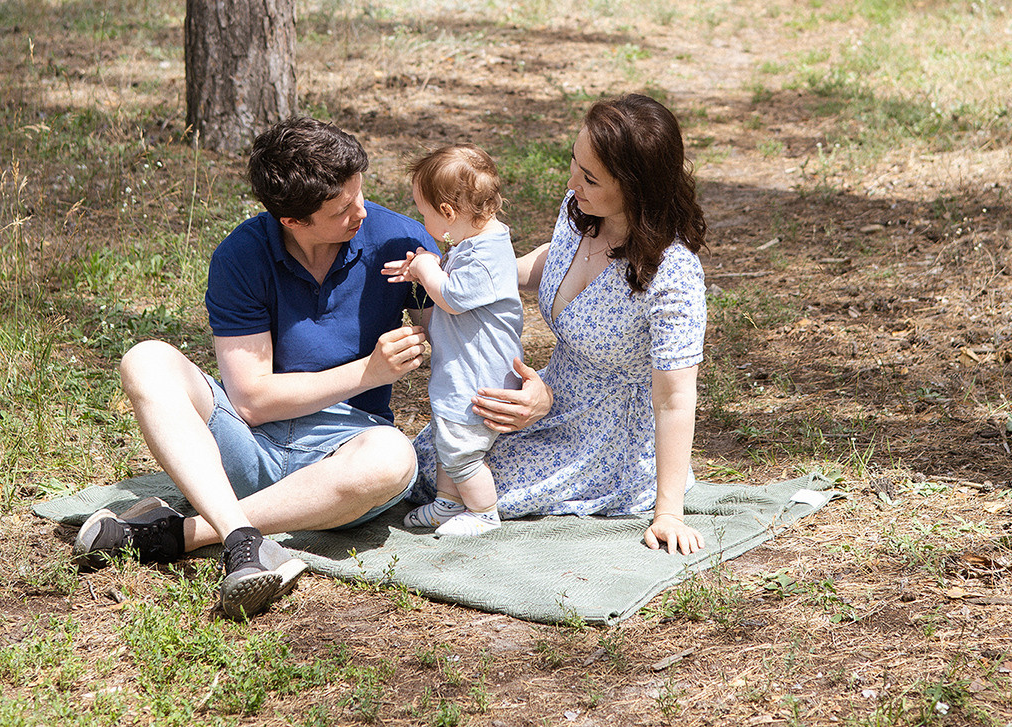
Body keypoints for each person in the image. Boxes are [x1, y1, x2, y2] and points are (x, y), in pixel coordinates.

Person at [73, 117, 433, 618]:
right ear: (292, 221)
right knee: (146, 359)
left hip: (342, 459)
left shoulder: (399, 240)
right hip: (246, 446)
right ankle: (242, 537)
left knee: (394, 459)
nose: (361, 210)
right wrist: (368, 373)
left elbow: (456, 340)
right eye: (342, 207)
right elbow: (251, 401)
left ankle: (188, 533)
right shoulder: (242, 255)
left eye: (359, 192)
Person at [410, 94, 708, 554]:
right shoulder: (584, 209)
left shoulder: (673, 274)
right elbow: (554, 264)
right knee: (434, 458)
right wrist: (467, 284)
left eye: (590, 177)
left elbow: (674, 397)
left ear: (636, 187)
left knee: (463, 481)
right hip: (550, 390)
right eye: (575, 162)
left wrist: (668, 513)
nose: (573, 182)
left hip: (608, 435)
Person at [381, 145, 524, 540]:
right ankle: (448, 504)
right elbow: (454, 282)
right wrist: (423, 270)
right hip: (464, 369)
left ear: (447, 213)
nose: (422, 220)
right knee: (449, 437)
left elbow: (455, 298)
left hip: (480, 377)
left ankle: (482, 511)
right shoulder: (474, 245)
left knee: (463, 451)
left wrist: (427, 266)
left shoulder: (487, 253)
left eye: (424, 213)